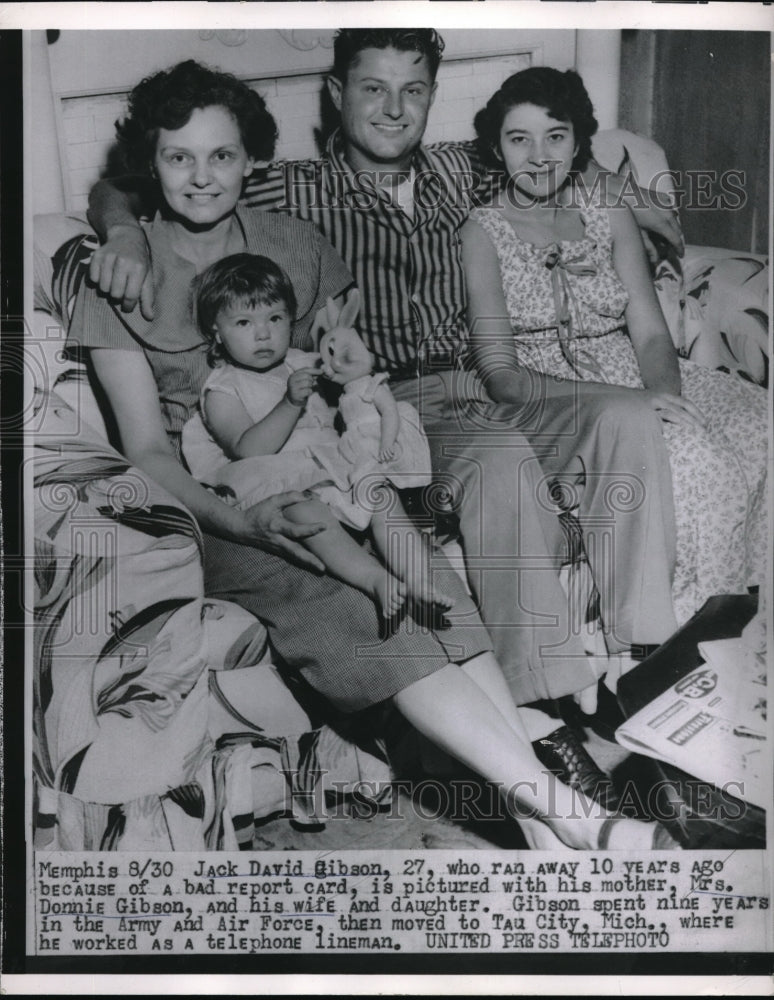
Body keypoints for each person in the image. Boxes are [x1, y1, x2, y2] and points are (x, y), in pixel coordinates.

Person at [67, 58, 678, 850]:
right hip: (218, 503)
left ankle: (542, 826)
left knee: (428, 586)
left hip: (324, 472)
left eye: (220, 155)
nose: (201, 176)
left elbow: (338, 370)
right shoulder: (119, 276)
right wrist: (241, 524)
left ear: (250, 161)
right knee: (365, 609)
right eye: (177, 157)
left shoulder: (292, 238)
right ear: (150, 164)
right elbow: (148, 451)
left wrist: (357, 395)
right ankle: (576, 819)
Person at [462, 66, 768, 626]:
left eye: (555, 136)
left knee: (760, 420)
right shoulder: (482, 232)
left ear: (578, 142)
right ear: (495, 148)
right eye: (518, 138)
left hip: (638, 369)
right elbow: (501, 373)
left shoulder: (606, 211)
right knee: (702, 462)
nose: (538, 155)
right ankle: (691, 627)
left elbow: (651, 331)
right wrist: (628, 407)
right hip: (555, 394)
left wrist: (662, 397)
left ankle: (758, 610)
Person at [182, 252, 451, 619]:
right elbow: (248, 449)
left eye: (275, 318)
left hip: (331, 465)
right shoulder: (224, 389)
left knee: (380, 492)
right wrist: (290, 402)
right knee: (308, 514)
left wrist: (352, 366)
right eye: (244, 322)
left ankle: (418, 576)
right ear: (217, 330)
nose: (263, 334)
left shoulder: (303, 361)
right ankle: (373, 578)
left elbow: (352, 382)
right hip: (277, 479)